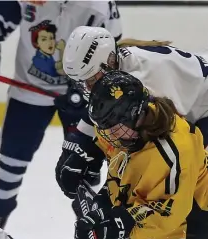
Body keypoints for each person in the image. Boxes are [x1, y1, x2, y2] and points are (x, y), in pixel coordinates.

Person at [0, 1, 122, 229]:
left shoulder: (98, 4)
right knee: (11, 159)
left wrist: (87, 85)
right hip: (28, 90)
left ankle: (92, 225)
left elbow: (112, 47)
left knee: (83, 163)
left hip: (79, 94)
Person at [73, 70, 208, 239]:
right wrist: (100, 208)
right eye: (104, 126)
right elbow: (120, 178)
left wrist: (116, 224)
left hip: (197, 221)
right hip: (151, 222)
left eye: (113, 126)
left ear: (135, 114)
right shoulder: (126, 131)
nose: (107, 134)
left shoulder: (174, 149)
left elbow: (169, 217)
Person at [55, 26, 208, 202]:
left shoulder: (146, 79)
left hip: (203, 110)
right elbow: (101, 110)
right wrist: (76, 145)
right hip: (193, 105)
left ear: (110, 62)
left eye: (90, 80)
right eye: (81, 83)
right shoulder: (116, 71)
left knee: (191, 186)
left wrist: (93, 152)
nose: (87, 88)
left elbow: (163, 143)